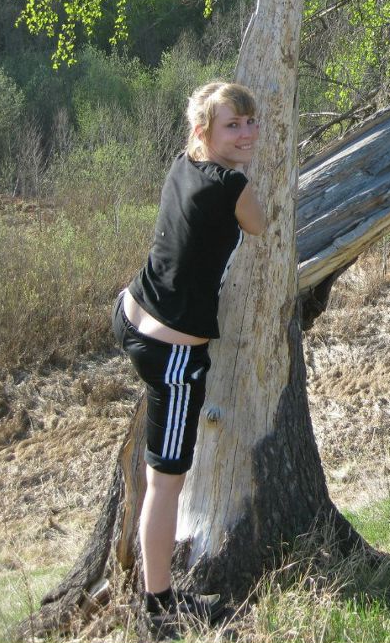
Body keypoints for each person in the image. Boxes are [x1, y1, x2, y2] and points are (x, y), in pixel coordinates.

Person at [111, 81, 267, 628]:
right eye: (233, 125)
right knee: (165, 483)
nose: (247, 133)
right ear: (204, 132)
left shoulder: (183, 164)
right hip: (173, 359)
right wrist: (245, 180)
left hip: (130, 311)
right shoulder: (232, 189)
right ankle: (157, 606)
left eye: (251, 122)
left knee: (161, 474)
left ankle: (153, 592)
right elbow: (260, 223)